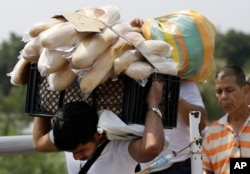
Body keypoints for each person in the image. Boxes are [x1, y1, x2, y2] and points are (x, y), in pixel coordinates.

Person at [32, 79, 166, 174]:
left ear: (97, 133)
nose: (76, 157)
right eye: (72, 152)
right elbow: (39, 143)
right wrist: (45, 98)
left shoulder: (119, 150)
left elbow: (152, 147)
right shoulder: (70, 137)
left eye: (81, 151)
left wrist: (153, 103)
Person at [130, 18, 207, 174]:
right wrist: (134, 33)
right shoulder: (139, 84)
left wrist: (172, 93)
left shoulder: (185, 85)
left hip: (178, 166)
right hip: (147, 168)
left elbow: (201, 122)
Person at [202, 65, 250, 174]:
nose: (223, 96)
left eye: (229, 90)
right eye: (219, 92)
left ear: (245, 91)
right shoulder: (212, 134)